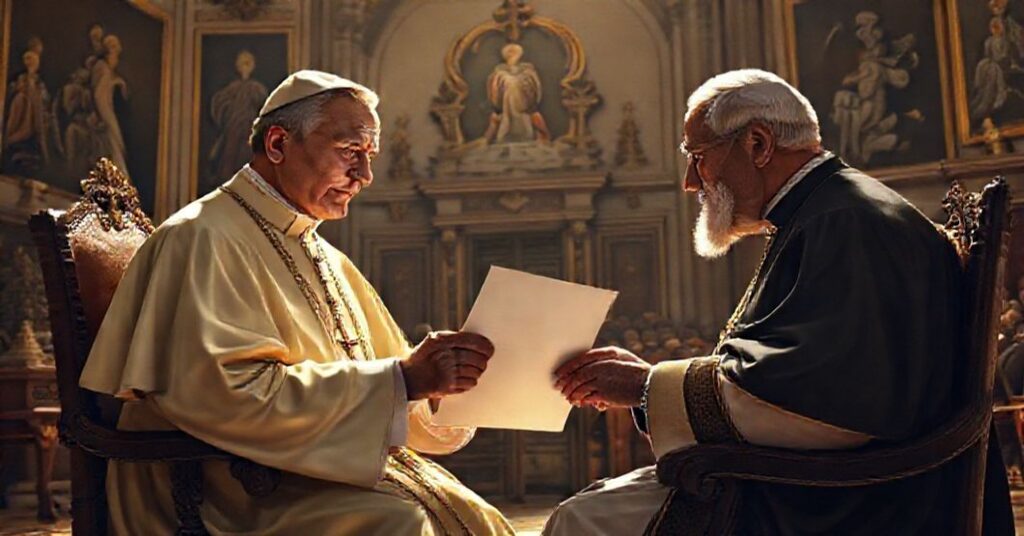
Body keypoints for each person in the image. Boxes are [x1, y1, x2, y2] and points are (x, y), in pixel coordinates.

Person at [544, 69, 1013, 535]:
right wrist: (648, 386)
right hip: (837, 481)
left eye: (699, 157)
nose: (691, 181)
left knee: (583, 521)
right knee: (593, 504)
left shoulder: (844, 222)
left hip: (859, 502)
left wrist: (648, 386)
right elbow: (791, 371)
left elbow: (826, 405)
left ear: (757, 145)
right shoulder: (830, 210)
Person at [81, 70, 514, 535]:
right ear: (277, 145)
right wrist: (403, 380)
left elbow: (393, 376)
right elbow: (223, 395)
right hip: (216, 485)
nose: (364, 176)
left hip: (293, 471)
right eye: (350, 152)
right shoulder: (202, 237)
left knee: (469, 513)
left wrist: (439, 389)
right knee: (399, 524)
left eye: (369, 157)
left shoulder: (326, 256)